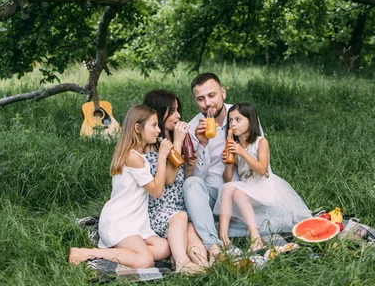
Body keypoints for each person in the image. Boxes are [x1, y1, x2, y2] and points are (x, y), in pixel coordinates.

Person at [69, 105, 172, 267]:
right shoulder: (133, 158)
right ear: (137, 128)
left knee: (163, 248)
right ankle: (89, 253)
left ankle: (126, 252)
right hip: (120, 222)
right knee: (145, 261)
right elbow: (157, 191)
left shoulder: (137, 155)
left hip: (135, 222)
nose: (158, 130)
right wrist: (162, 157)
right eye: (154, 125)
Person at [214, 103, 312, 251]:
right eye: (231, 120)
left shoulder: (261, 142)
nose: (233, 124)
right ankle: (223, 236)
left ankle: (255, 237)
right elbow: (227, 179)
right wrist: (228, 164)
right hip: (248, 187)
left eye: (238, 120)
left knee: (238, 192)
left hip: (264, 187)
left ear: (250, 120)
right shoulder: (233, 145)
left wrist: (243, 153)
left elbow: (261, 170)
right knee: (228, 188)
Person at [183, 73, 250, 258]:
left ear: (223, 93)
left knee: (275, 219)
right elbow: (194, 178)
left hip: (241, 194)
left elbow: (258, 155)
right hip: (213, 194)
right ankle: (214, 243)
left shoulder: (243, 117)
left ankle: (208, 227)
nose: (207, 104)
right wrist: (202, 144)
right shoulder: (192, 128)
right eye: (201, 99)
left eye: (212, 96)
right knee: (191, 185)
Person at [142, 90, 208, 273]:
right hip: (160, 209)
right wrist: (178, 141)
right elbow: (169, 180)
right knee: (180, 218)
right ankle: (182, 263)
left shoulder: (172, 138)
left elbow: (179, 180)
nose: (178, 115)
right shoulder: (152, 144)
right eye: (171, 111)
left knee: (192, 229)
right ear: (157, 112)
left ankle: (204, 267)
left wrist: (188, 168)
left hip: (179, 208)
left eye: (178, 110)